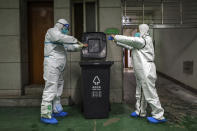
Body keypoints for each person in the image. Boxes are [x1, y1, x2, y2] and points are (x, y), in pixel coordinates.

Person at [110, 24, 166, 124]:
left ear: (144, 30)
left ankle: (159, 115)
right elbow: (129, 45)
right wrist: (116, 41)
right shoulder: (140, 41)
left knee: (150, 92)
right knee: (140, 91)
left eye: (140, 30)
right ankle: (140, 111)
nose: (138, 32)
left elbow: (131, 41)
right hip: (141, 70)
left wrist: (117, 36)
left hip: (146, 70)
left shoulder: (145, 40)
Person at [40, 19, 88, 124]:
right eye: (66, 28)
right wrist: (75, 39)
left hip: (58, 67)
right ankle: (45, 115)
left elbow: (69, 47)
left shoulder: (61, 39)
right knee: (51, 88)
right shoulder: (52, 32)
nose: (67, 30)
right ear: (62, 25)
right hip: (52, 65)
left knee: (58, 88)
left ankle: (56, 110)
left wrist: (80, 46)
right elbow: (61, 37)